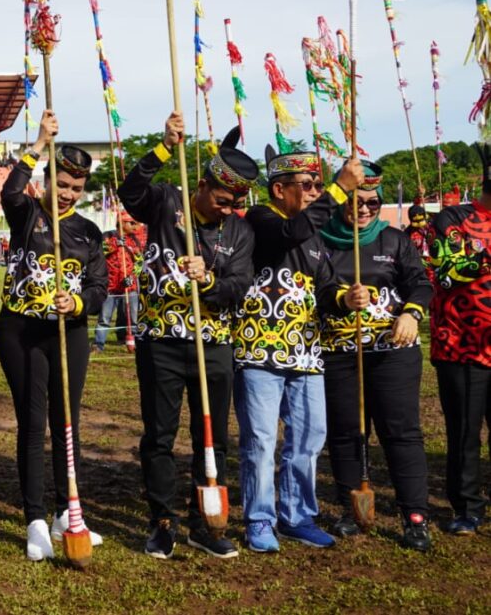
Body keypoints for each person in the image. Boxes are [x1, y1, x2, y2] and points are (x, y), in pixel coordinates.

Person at [118, 119, 257, 560]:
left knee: (210, 434)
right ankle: (161, 521)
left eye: (235, 204)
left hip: (213, 346)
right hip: (161, 341)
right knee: (159, 435)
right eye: (220, 201)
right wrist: (162, 148)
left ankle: (205, 523)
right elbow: (130, 192)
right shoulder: (166, 201)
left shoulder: (239, 231)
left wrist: (210, 279)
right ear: (201, 185)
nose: (226, 210)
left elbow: (239, 286)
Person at [231, 145, 363, 553]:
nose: (313, 192)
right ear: (277, 189)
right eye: (306, 185)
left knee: (309, 437)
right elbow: (291, 233)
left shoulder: (316, 240)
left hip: (306, 353)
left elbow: (325, 290)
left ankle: (296, 514)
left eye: (318, 185)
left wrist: (345, 299)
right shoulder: (261, 221)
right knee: (261, 440)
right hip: (259, 351)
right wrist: (340, 189)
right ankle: (259, 518)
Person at [0, 111, 107, 561]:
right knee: (33, 422)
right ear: (47, 180)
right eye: (61, 185)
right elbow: (9, 188)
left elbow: (99, 287)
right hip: (21, 331)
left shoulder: (88, 231)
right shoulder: (25, 214)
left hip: (69, 333)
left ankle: (69, 511)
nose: (67, 194)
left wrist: (77, 304)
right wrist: (40, 143)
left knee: (68, 423)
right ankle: (36, 518)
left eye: (76, 189)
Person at [318, 161, 432, 550]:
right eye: (355, 201)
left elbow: (419, 283)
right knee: (347, 432)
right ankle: (352, 507)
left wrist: (411, 314)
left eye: (371, 202)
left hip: (391, 352)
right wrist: (342, 299)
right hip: (339, 351)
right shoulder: (321, 240)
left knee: (401, 432)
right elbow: (317, 289)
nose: (364, 209)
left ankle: (414, 516)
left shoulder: (395, 239)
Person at [427, 145, 491, 535]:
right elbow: (448, 273)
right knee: (465, 432)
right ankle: (467, 506)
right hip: (461, 344)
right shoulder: (455, 218)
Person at [92, 211, 144, 353]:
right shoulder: (107, 235)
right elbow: (100, 252)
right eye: (131, 223)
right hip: (110, 285)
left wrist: (133, 277)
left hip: (129, 285)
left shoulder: (135, 239)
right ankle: (98, 344)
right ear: (122, 222)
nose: (135, 226)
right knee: (104, 318)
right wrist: (115, 245)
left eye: (136, 223)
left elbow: (139, 261)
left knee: (132, 317)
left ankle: (131, 341)